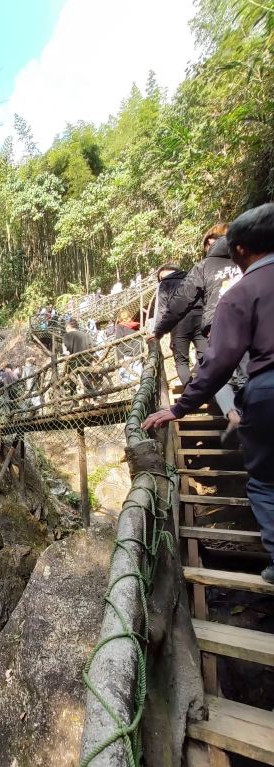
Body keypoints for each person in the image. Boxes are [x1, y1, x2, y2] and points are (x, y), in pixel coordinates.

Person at [142, 203, 274, 583]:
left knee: (265, 480)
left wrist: (180, 407)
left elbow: (217, 365)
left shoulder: (240, 292)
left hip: (265, 393)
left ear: (241, 249)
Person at [150, 226, 244, 440]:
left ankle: (223, 409)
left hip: (214, 325)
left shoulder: (204, 267)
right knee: (227, 368)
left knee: (205, 366)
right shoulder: (250, 258)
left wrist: (158, 330)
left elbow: (175, 304)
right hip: (235, 323)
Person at [153, 264, 208, 387]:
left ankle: (192, 391)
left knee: (181, 361)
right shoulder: (192, 277)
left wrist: (156, 332)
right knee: (205, 354)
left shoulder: (164, 284)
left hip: (178, 322)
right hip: (200, 316)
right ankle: (208, 386)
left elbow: (162, 311)